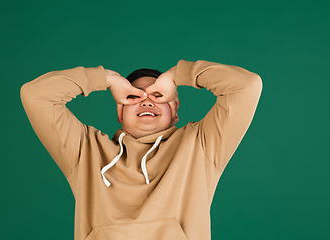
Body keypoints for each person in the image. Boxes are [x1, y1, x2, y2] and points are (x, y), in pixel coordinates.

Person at [20, 59, 262, 240]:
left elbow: (246, 86)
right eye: (133, 97)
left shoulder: (200, 144)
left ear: (175, 111)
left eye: (159, 95)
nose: (146, 101)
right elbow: (35, 95)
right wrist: (107, 80)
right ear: (119, 111)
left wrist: (178, 75)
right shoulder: (86, 151)